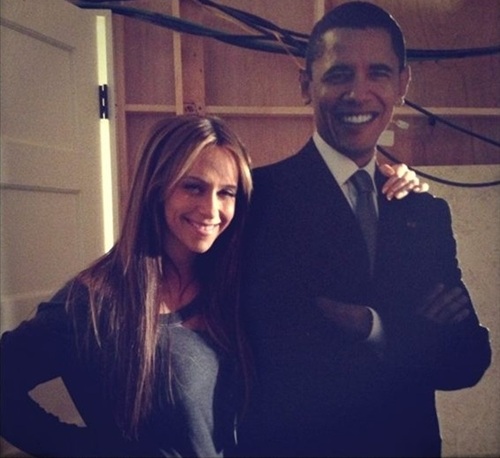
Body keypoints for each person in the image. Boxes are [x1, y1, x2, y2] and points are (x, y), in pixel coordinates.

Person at [237, 2, 491, 457]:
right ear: (306, 84)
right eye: (338, 75)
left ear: (402, 84)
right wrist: (414, 329)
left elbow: (467, 358)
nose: (359, 93)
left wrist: (371, 326)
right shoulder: (256, 200)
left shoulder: (423, 213)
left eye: (378, 73)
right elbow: (271, 347)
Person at [0, 115, 254, 457]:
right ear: (156, 187)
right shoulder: (92, 305)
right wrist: (88, 451)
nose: (211, 209)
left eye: (226, 193)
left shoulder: (231, 284)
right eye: (193, 187)